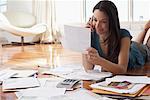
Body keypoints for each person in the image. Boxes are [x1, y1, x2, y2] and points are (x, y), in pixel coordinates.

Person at [82, 0, 150, 74]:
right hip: (130, 46)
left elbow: (122, 69)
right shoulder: (91, 35)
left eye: (103, 22)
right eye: (95, 20)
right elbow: (88, 68)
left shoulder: (123, 35)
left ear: (112, 22)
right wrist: (84, 37)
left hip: (136, 53)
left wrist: (100, 61)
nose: (97, 26)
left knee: (145, 47)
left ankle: (146, 29)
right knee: (134, 44)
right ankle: (145, 29)